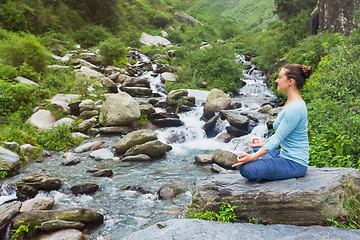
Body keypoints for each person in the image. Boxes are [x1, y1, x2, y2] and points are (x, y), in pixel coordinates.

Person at [232, 64, 313, 180]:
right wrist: (263, 144)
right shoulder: (291, 103)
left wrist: (254, 157)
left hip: (294, 163)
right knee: (256, 150)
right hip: (284, 156)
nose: (276, 80)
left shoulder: (294, 108)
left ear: (290, 81)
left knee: (246, 168)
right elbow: (282, 134)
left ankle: (265, 172)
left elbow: (278, 138)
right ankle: (266, 171)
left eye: (280, 77)